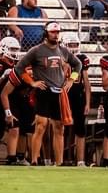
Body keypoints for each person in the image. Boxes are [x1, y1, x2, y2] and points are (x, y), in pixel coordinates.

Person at [18, 23, 76, 166]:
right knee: (41, 125)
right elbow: (19, 68)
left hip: (58, 92)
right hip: (44, 91)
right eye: (53, 32)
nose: (56, 35)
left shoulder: (63, 50)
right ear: (46, 33)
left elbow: (78, 65)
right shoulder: (36, 51)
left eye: (57, 32)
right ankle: (34, 159)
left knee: (59, 127)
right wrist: (32, 83)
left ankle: (59, 162)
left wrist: (71, 80)